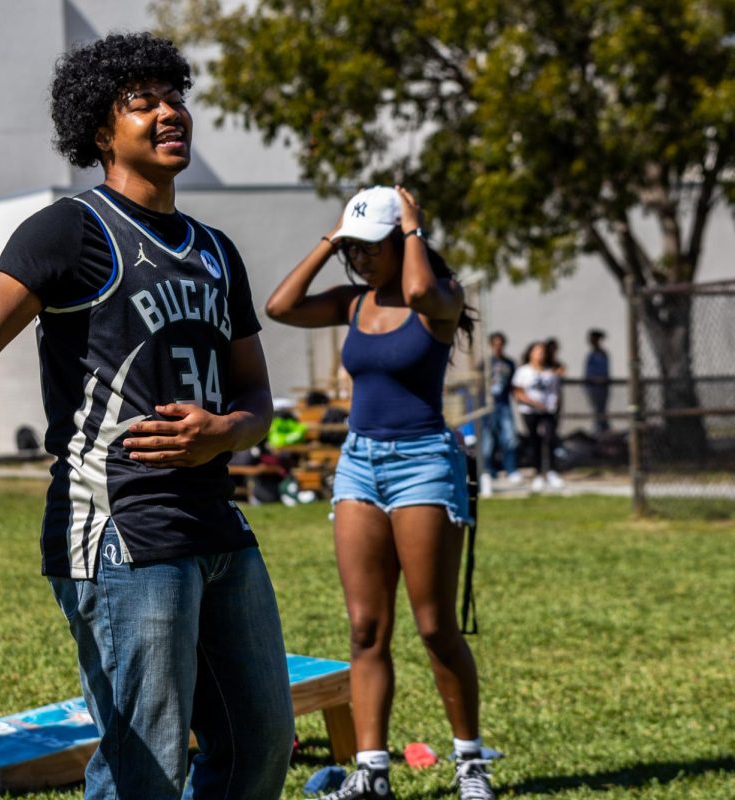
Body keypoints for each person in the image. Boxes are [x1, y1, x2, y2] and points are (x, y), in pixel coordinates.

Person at [0, 32, 294, 800]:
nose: (169, 111)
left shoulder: (217, 252)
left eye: (174, 96)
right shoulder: (74, 230)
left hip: (218, 528)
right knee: (144, 767)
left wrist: (230, 431)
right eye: (141, 102)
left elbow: (254, 395)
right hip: (121, 531)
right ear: (99, 133)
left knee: (260, 747)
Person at [266, 185, 495, 800]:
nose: (361, 259)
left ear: (402, 241)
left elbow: (419, 289)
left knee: (434, 626)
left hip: (424, 462)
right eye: (354, 249)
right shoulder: (352, 301)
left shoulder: (440, 300)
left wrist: (415, 224)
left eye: (372, 246)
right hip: (359, 465)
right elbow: (279, 306)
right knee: (366, 629)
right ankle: (371, 772)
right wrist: (330, 238)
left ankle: (470, 764)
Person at [512, 341, 563, 491]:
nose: (540, 355)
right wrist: (534, 403)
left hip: (548, 412)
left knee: (550, 439)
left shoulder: (550, 371)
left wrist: (552, 406)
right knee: (535, 442)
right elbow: (518, 392)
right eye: (537, 351)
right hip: (530, 412)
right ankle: (538, 473)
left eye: (543, 352)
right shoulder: (523, 371)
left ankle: (552, 471)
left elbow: (556, 392)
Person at [478, 332, 522, 497]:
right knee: (487, 440)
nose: (498, 347)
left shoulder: (509, 363)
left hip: (504, 404)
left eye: (500, 344)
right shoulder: (486, 362)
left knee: (510, 437)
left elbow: (513, 385)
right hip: (488, 405)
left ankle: (511, 469)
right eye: (495, 344)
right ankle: (488, 470)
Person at [584, 328, 610, 433]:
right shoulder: (591, 355)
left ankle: (601, 429)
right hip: (592, 387)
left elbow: (602, 371)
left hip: (601, 387)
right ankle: (600, 428)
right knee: (597, 409)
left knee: (600, 409)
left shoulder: (602, 355)